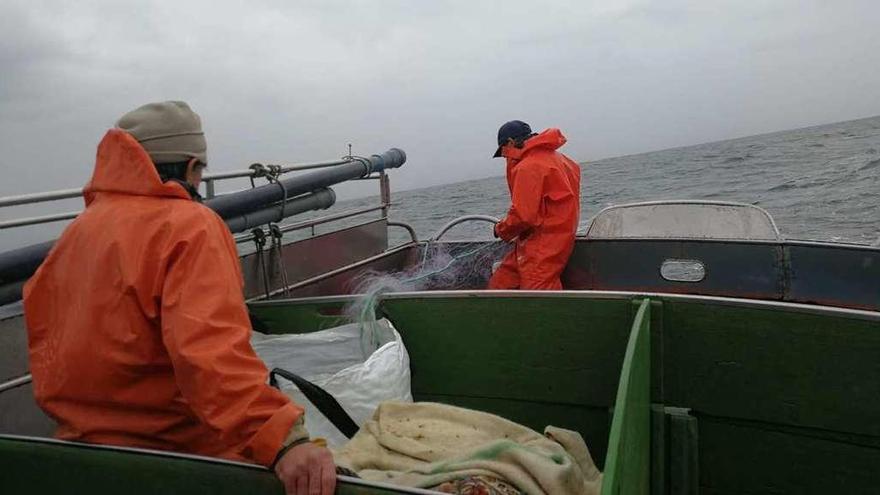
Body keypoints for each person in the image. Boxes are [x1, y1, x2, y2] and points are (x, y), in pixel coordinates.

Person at [23, 101, 335, 495]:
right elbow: (208, 353)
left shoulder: (74, 235)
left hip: (83, 454)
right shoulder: (191, 226)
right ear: (191, 168)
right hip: (179, 456)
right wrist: (283, 440)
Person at [488, 120, 581, 290]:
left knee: (539, 295)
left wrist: (501, 229)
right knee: (502, 282)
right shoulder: (563, 160)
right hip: (546, 237)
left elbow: (523, 216)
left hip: (544, 243)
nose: (507, 157)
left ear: (510, 142)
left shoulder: (528, 167)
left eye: (504, 152)